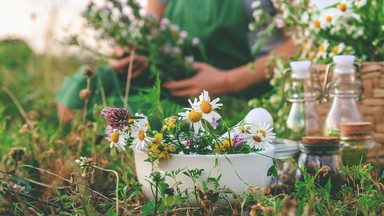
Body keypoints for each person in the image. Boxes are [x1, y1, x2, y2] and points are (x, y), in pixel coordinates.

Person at [55, 0, 296, 124]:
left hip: (242, 89)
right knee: (83, 89)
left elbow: (297, 43)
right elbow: (150, 26)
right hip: (175, 82)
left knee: (162, 121)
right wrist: (130, 51)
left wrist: (226, 81)